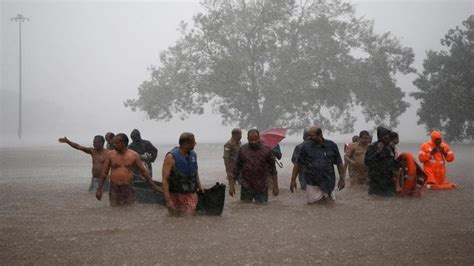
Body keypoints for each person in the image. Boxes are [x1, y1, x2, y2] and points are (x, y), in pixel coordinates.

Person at [95, 133, 161, 207]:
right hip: (114, 187)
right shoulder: (110, 154)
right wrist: (99, 189)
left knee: (129, 210)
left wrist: (154, 186)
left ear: (123, 143)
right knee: (114, 210)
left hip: (128, 187)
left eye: (116, 143)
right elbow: (104, 173)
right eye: (113, 143)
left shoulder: (134, 155)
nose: (113, 145)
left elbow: (144, 172)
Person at [290, 126, 345, 203]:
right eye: (308, 135)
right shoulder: (305, 147)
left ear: (320, 135)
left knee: (329, 203)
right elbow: (298, 164)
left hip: (328, 181)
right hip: (312, 182)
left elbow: (339, 163)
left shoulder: (331, 146)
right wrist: (293, 180)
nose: (309, 138)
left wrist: (342, 179)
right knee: (314, 205)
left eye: (312, 136)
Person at [229, 129, 279, 204]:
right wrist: (231, 186)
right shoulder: (242, 150)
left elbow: (273, 170)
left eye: (255, 139)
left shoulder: (267, 150)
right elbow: (236, 168)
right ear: (247, 139)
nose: (253, 142)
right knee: (245, 207)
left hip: (261, 187)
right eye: (251, 139)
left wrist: (275, 186)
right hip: (246, 186)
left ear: (259, 138)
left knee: (261, 208)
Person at [162, 132, 204, 216]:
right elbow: (165, 180)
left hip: (191, 193)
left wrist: (200, 186)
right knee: (175, 220)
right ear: (186, 143)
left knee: (188, 219)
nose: (195, 143)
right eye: (193, 141)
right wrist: (168, 200)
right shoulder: (171, 157)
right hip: (175, 194)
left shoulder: (193, 155)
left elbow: (194, 172)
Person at [365, 126, 398, 196]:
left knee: (392, 201)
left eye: (387, 135)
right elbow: (367, 161)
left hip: (389, 180)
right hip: (376, 181)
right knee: (376, 201)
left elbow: (393, 162)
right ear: (379, 136)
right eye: (383, 135)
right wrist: (378, 152)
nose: (386, 137)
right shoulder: (373, 146)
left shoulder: (391, 147)